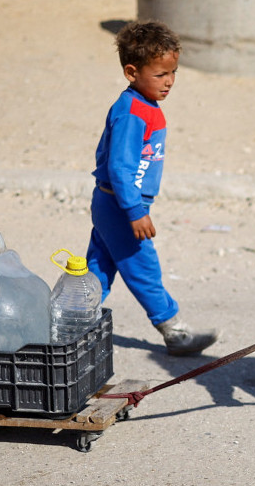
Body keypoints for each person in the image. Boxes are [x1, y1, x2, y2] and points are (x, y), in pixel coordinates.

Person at [85, 21, 217, 357]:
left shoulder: (144, 106)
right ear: (132, 72)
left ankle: (69, 322)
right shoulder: (132, 113)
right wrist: (135, 211)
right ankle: (174, 331)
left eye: (173, 72)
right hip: (119, 205)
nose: (169, 81)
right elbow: (120, 167)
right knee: (143, 268)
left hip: (112, 202)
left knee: (98, 268)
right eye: (160, 74)